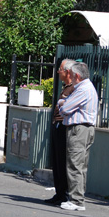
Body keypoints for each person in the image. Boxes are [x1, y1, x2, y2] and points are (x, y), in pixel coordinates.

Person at [58, 62, 98, 211]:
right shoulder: (86, 88)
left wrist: (62, 105)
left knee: (74, 164)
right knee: (80, 165)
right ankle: (77, 198)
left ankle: (76, 200)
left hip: (79, 130)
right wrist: (65, 105)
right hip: (84, 129)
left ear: (77, 76)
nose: (71, 78)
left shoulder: (83, 89)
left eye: (73, 76)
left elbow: (65, 108)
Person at [45, 59, 75, 205]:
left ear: (68, 72)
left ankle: (65, 194)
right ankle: (59, 193)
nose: (58, 72)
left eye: (61, 69)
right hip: (58, 125)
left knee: (63, 161)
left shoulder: (74, 88)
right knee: (57, 161)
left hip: (65, 127)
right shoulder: (66, 87)